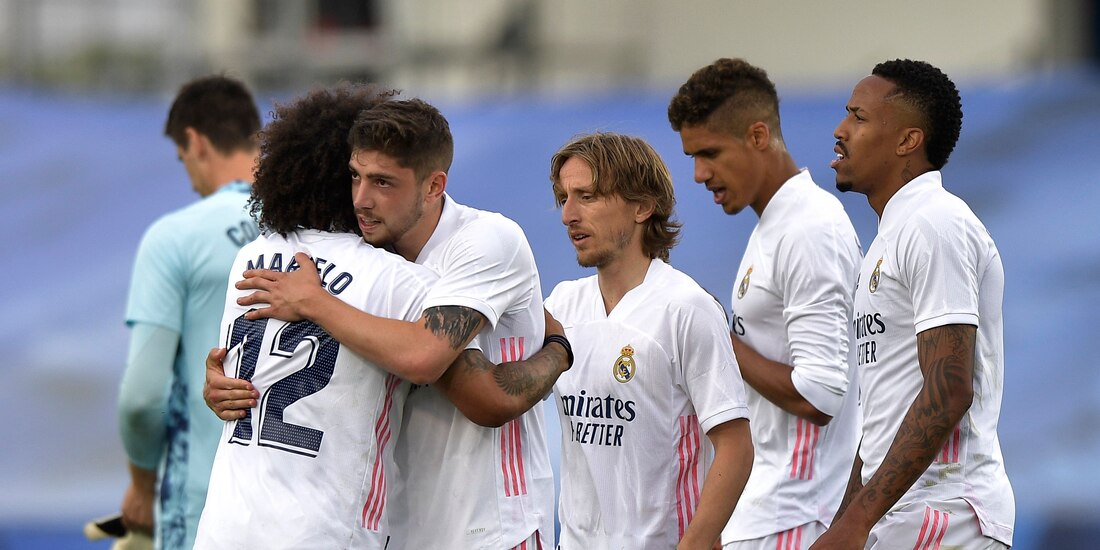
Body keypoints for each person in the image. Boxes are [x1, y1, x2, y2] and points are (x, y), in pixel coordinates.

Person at [206, 97, 562, 549]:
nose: (361, 199)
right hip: (400, 524)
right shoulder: (379, 266)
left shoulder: (486, 240)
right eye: (354, 176)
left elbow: (457, 380)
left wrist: (559, 350)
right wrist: (226, 381)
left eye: (383, 182)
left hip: (487, 528)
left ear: (434, 187)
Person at [192, 84, 444, 549]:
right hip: (326, 531)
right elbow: (466, 382)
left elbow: (232, 378)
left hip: (224, 527)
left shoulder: (251, 257)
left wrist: (214, 385)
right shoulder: (399, 282)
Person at [810, 59, 1014, 549]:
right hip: (903, 512)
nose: (840, 131)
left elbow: (948, 388)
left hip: (944, 514)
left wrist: (857, 522)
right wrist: (846, 522)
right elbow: (883, 413)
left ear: (907, 141)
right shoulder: (888, 238)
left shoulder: (934, 223)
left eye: (858, 117)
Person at [667, 58, 862, 549]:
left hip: (794, 514)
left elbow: (820, 395)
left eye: (709, 153)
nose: (697, 174)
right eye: (692, 156)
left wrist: (717, 337)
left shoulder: (808, 228)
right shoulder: (776, 225)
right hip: (767, 510)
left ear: (758, 136)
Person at [545, 132, 754, 549]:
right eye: (563, 198)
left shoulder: (685, 307)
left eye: (587, 196)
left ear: (642, 206)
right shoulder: (560, 306)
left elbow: (735, 446)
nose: (569, 214)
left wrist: (695, 543)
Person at [115, 74, 261, 550]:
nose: (192, 181)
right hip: (303, 509)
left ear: (195, 143)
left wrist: (141, 486)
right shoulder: (319, 232)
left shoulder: (174, 237)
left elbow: (141, 397)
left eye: (184, 161)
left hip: (202, 506)